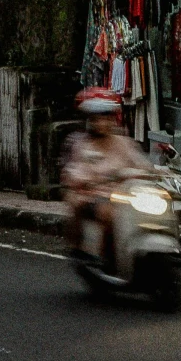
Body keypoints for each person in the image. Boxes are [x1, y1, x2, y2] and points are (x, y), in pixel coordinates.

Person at [61, 90, 147, 269]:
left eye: (106, 118)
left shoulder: (123, 143)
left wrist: (156, 172)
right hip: (94, 196)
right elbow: (75, 171)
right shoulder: (82, 145)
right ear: (90, 121)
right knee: (109, 215)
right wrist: (88, 179)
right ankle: (107, 258)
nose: (102, 123)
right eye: (97, 118)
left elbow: (141, 163)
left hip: (125, 195)